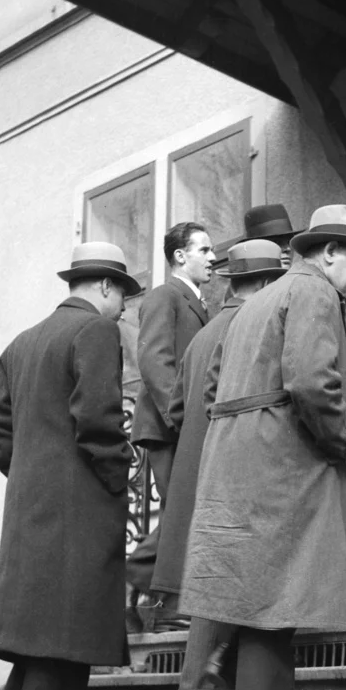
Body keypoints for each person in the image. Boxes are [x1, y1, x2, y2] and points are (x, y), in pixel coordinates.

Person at [181, 206, 346, 690]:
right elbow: (311, 383)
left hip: (242, 463)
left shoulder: (254, 302)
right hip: (284, 467)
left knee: (258, 605)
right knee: (276, 606)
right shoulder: (318, 294)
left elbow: (212, 385)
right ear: (327, 253)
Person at [0, 242, 138, 690]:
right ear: (106, 288)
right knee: (68, 629)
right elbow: (98, 419)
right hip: (81, 503)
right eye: (124, 296)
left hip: (32, 504)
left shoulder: (23, 341)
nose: (124, 308)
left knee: (39, 629)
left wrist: (26, 469)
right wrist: (120, 478)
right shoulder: (95, 331)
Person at [150, 239, 288, 690]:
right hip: (228, 471)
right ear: (268, 283)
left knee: (216, 576)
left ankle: (206, 688)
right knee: (222, 578)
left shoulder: (205, 332)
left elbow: (176, 407)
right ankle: (201, 688)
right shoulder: (249, 326)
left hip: (197, 468)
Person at [127, 222, 216, 630]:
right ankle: (157, 600)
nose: (213, 258)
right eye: (205, 250)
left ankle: (142, 589)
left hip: (180, 425)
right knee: (184, 511)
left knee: (184, 512)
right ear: (180, 256)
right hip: (168, 427)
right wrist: (179, 418)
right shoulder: (166, 295)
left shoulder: (196, 302)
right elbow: (153, 360)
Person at [211, 203, 299, 268]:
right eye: (277, 242)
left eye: (289, 242)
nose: (287, 249)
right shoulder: (246, 288)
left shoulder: (297, 285)